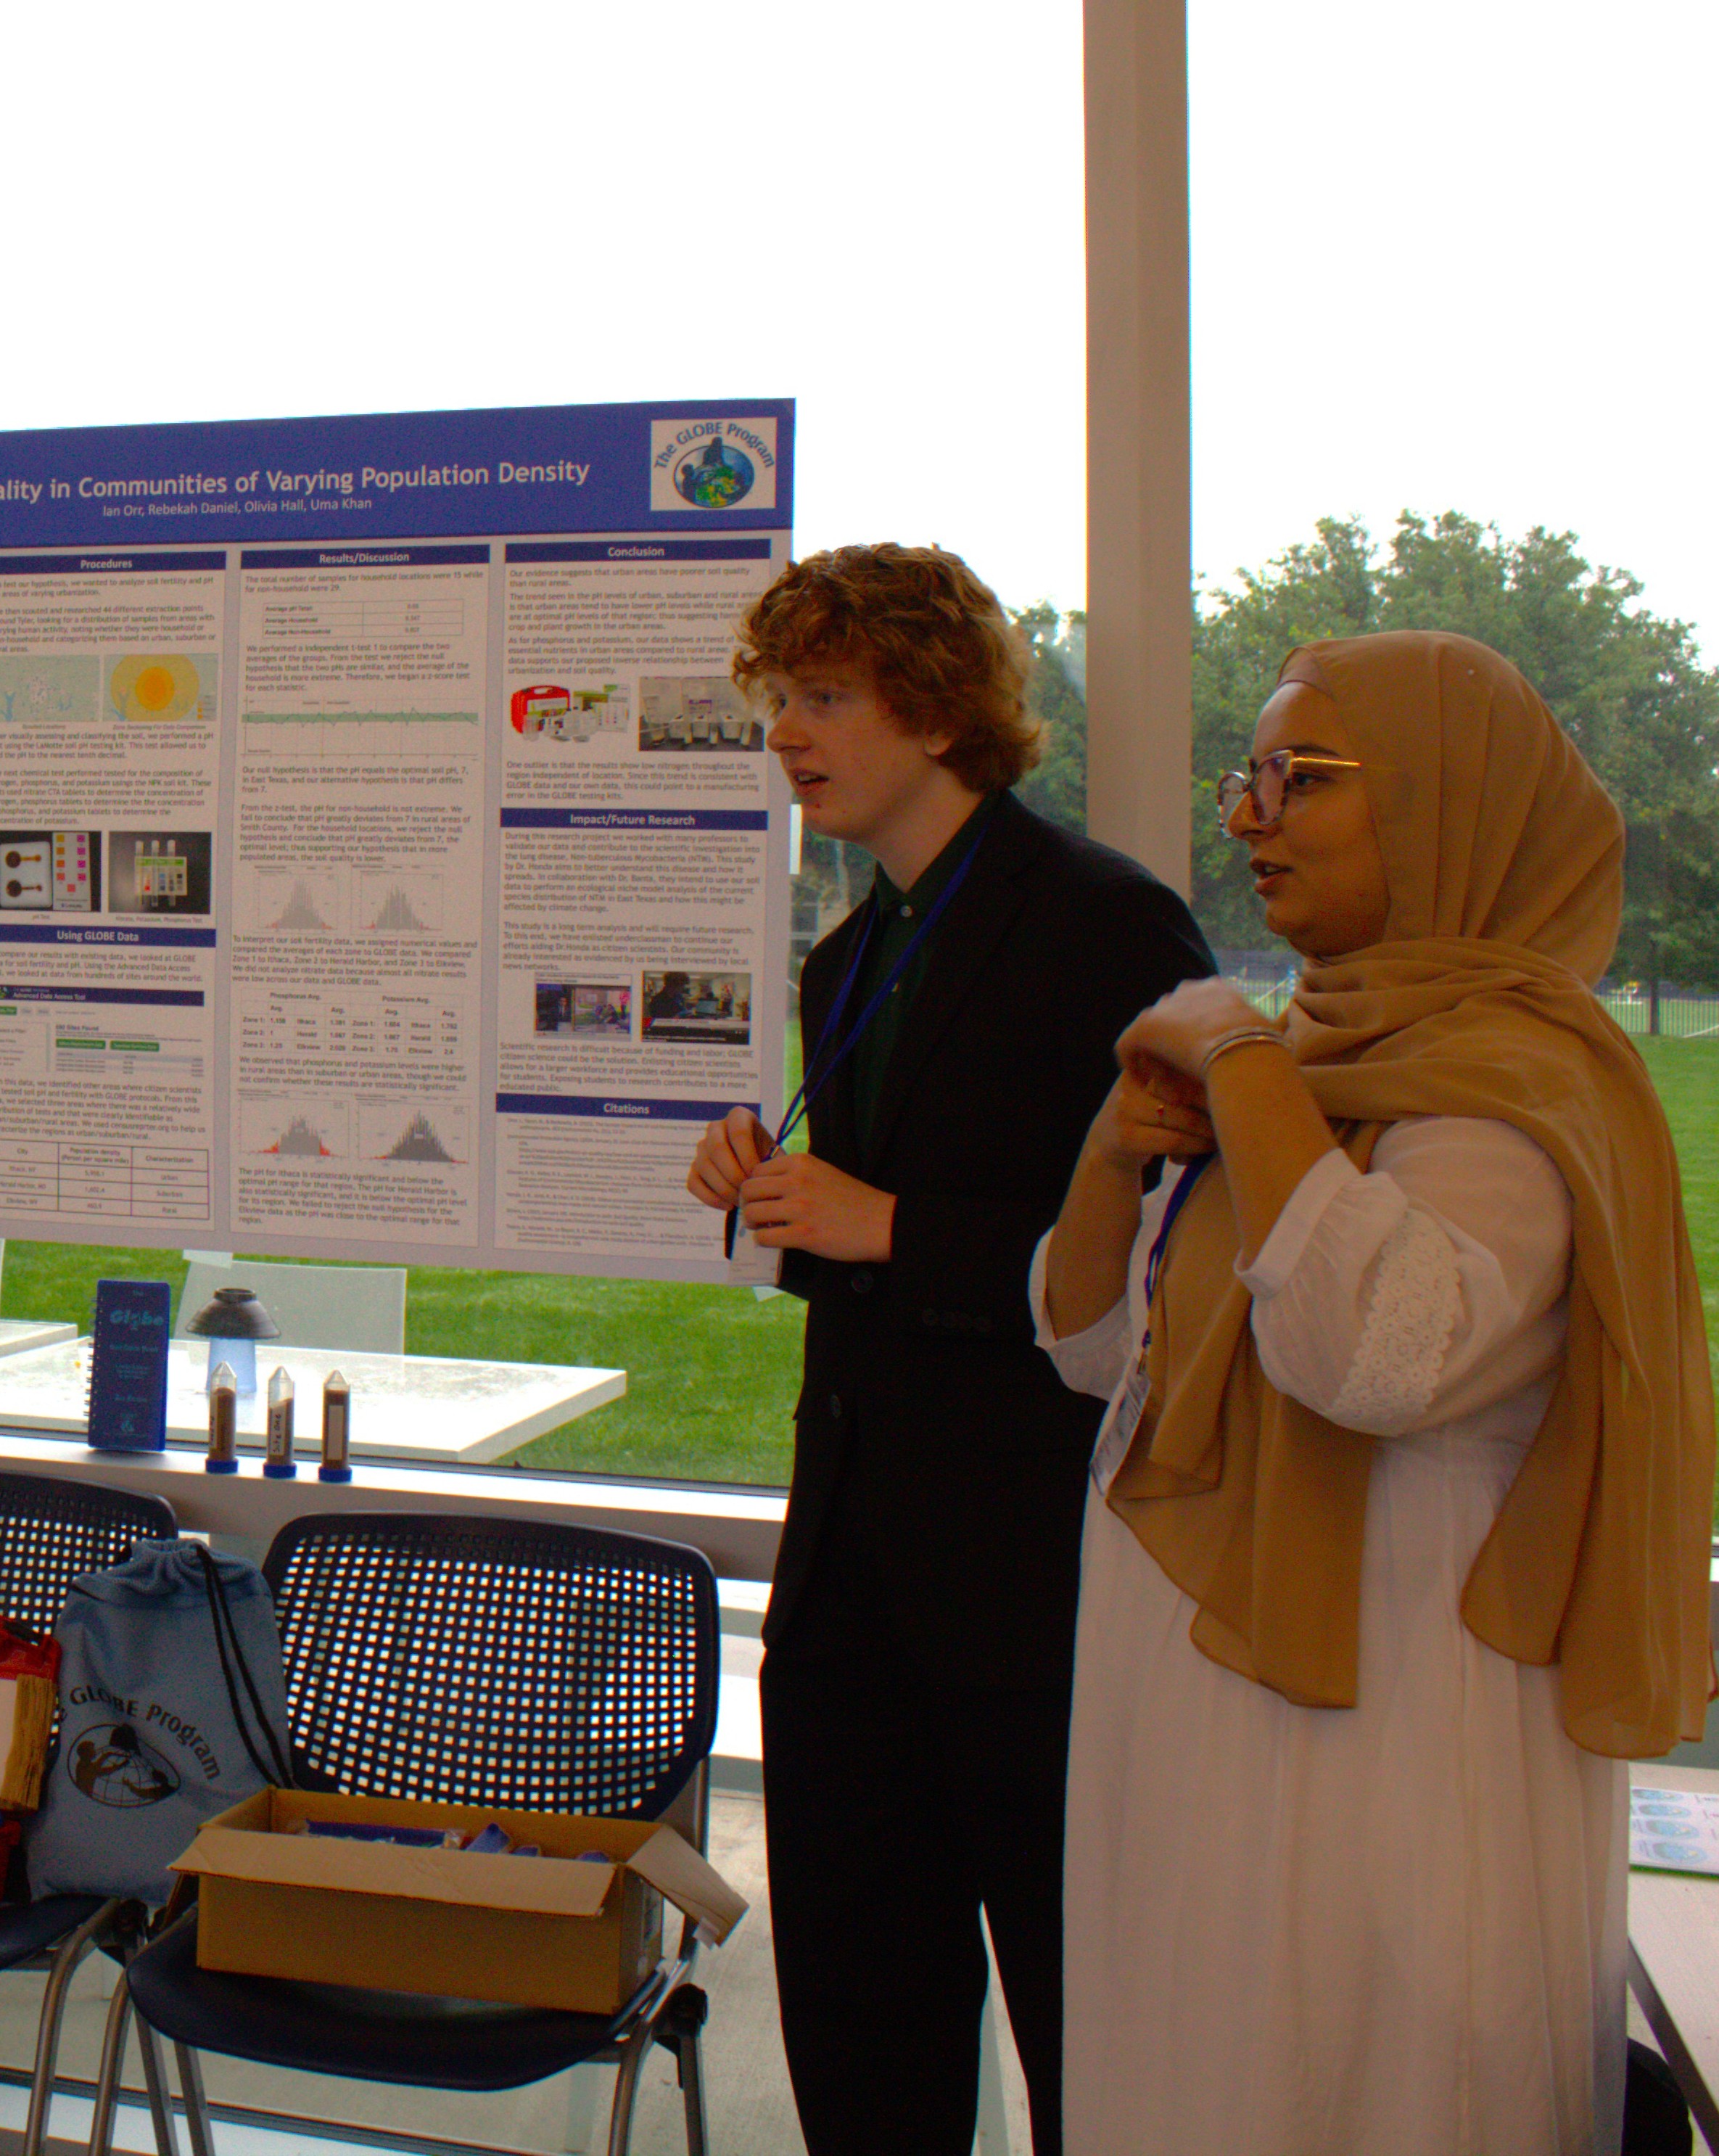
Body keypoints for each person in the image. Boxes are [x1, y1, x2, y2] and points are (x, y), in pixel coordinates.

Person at [1038, 630, 1712, 2154]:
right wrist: (1110, 1148)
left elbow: (1372, 1357)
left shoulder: (1516, 1090)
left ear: (1451, 810)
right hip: (1208, 1739)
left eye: (1306, 776)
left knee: (1359, 2084)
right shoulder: (1316, 1054)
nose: (1252, 814)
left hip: (1390, 1746)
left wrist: (1245, 1074)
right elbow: (1100, 1357)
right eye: (1250, 774)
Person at [684, 545, 1211, 2155]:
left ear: (933, 703)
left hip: (1038, 1596)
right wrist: (776, 1192)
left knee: (1086, 2031)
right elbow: (861, 1244)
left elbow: (1179, 1268)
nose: (789, 732)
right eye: (781, 698)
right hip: (851, 1592)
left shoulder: (1107, 927)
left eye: (825, 696)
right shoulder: (851, 956)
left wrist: (886, 1221)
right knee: (862, 2020)